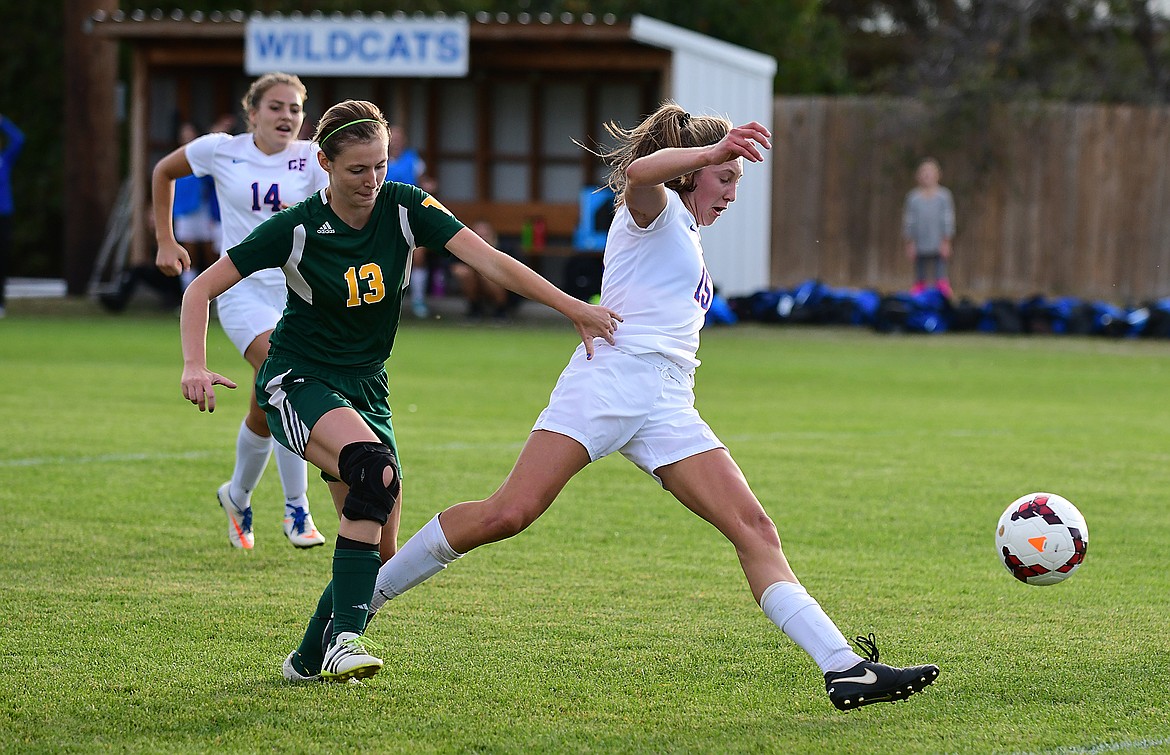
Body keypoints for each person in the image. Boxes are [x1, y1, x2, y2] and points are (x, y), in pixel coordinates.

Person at [354, 102, 940, 710]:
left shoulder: (685, 229)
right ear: (694, 170)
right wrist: (712, 151)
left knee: (754, 528)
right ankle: (362, 598)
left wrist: (715, 160)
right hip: (610, 382)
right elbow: (639, 173)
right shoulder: (653, 211)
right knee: (508, 513)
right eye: (727, 178)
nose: (732, 192)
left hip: (667, 400)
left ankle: (843, 667)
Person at [177, 99, 621, 683]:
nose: (373, 180)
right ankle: (344, 640)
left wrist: (572, 309)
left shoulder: (407, 207)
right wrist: (194, 363)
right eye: (358, 169)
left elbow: (490, 262)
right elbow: (200, 290)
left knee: (381, 552)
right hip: (298, 380)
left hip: (367, 389)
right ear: (324, 164)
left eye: (381, 165)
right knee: (372, 471)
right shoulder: (298, 228)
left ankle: (306, 662)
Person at [154, 73, 329, 551]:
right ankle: (298, 510)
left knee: (266, 398)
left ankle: (237, 495)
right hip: (241, 291)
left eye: (294, 109)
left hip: (298, 294)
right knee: (290, 378)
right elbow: (163, 172)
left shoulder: (311, 158)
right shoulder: (220, 149)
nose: (286, 116)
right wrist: (165, 239)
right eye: (275, 107)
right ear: (252, 112)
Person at [385, 124, 439, 318]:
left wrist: (428, 186)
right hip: (384, 216)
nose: (396, 141)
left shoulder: (413, 160)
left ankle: (418, 300)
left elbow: (423, 181)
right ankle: (387, 302)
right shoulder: (378, 158)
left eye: (399, 138)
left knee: (418, 256)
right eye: (393, 137)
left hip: (410, 214)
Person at [171, 122, 218, 290]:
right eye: (184, 135)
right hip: (184, 213)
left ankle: (215, 291)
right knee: (188, 255)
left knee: (210, 253)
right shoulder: (173, 161)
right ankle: (187, 292)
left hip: (203, 212)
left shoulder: (203, 161)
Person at [903, 157, 955, 297]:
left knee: (940, 276)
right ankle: (918, 299)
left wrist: (946, 241)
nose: (927, 175)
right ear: (918, 176)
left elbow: (947, 219)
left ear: (937, 175)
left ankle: (944, 298)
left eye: (930, 172)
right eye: (923, 172)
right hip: (920, 241)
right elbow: (909, 220)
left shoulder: (944, 196)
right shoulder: (913, 198)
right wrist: (910, 242)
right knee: (920, 277)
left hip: (938, 241)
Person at [450, 220, 512, 320]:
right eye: (478, 235)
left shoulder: (505, 249)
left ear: (493, 235)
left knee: (488, 275)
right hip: (475, 284)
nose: (482, 238)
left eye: (485, 235)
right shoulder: (462, 250)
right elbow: (454, 268)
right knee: (465, 273)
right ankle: (474, 308)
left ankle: (501, 309)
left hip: (500, 288)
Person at [0, 113, 25, 319]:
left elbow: (19, 139)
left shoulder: (3, 160)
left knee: (2, 259)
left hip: (4, 215)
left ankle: (0, 303)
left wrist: (2, 122)